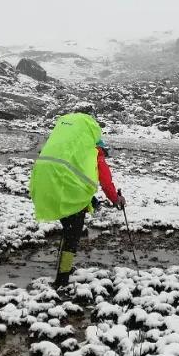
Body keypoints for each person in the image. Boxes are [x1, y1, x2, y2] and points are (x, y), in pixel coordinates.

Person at [29, 107, 125, 287]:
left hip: (49, 187)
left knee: (68, 232)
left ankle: (63, 268)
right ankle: (62, 279)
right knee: (72, 237)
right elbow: (105, 181)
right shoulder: (94, 153)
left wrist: (92, 200)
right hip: (68, 195)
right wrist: (116, 199)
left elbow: (74, 179)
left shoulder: (73, 153)